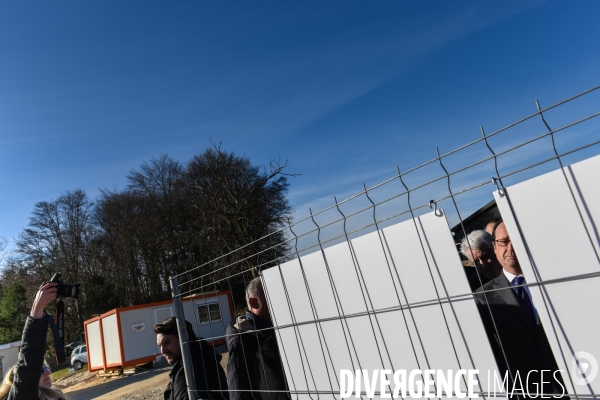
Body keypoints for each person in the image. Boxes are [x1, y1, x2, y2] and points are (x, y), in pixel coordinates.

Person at [474, 220, 565, 397]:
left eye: (516, 239)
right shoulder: (482, 298)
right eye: (504, 241)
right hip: (526, 391)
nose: (510, 247)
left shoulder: (557, 280)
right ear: (494, 246)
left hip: (577, 381)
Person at [0, 282, 68, 400]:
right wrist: (36, 310)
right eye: (40, 370)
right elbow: (29, 362)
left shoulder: (54, 396)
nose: (47, 373)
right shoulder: (20, 397)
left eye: (46, 368)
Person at [226, 277, 290, 400]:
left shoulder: (272, 329)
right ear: (253, 302)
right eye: (270, 298)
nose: (277, 303)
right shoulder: (241, 341)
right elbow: (238, 393)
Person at [154, 317, 228, 400]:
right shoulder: (202, 356)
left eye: (167, 343)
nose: (163, 351)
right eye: (160, 346)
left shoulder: (190, 369)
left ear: (184, 337)